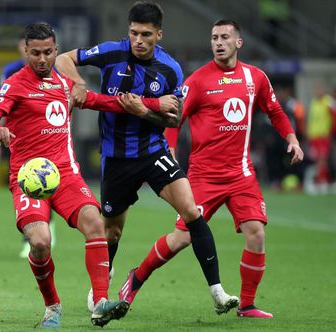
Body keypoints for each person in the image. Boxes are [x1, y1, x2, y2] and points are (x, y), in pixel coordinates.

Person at [0, 22, 176, 328]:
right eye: (35, 53)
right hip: (29, 179)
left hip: (66, 174)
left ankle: (100, 302)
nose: (42, 59)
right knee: (40, 242)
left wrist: (152, 104)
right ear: (25, 51)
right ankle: (52, 307)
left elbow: (105, 102)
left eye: (48, 52)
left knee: (95, 224)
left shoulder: (65, 84)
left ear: (56, 50)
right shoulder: (16, 84)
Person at [55, 0, 238, 315]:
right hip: (115, 158)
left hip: (153, 152)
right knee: (112, 230)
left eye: (146, 35)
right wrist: (80, 82)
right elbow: (62, 59)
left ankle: (218, 291)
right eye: (134, 33)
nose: (139, 40)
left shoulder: (170, 69)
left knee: (193, 212)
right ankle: (104, 280)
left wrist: (144, 110)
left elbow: (172, 120)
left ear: (159, 35)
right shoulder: (112, 51)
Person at [120, 19, 304, 318]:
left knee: (256, 233)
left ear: (238, 42)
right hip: (204, 176)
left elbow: (275, 110)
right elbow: (173, 117)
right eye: (214, 37)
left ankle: (247, 305)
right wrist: (169, 150)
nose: (219, 42)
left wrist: (292, 139)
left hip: (241, 174)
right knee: (181, 238)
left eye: (225, 37)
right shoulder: (198, 81)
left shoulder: (255, 78)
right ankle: (135, 279)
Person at [0, 32, 57, 258]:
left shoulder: (53, 72)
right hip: (18, 141)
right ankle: (32, 233)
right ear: (24, 48)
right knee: (25, 185)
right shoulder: (11, 73)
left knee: (50, 183)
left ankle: (48, 225)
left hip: (49, 141)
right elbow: (0, 107)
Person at [307, 83, 334, 192]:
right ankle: (322, 180)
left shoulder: (329, 101)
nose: (317, 92)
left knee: (323, 159)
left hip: (324, 134)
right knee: (317, 159)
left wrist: (331, 131)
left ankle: (323, 181)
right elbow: (311, 119)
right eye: (316, 90)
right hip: (314, 135)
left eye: (319, 90)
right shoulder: (314, 102)